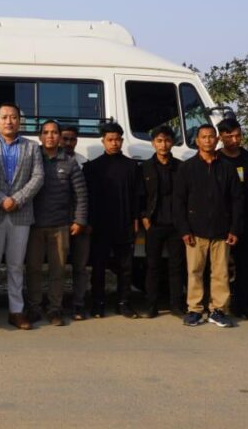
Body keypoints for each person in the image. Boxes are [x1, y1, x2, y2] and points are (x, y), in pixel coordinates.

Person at [0, 103, 44, 331]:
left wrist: (17, 199)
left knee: (16, 266)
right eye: (4, 117)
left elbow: (38, 177)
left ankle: (16, 311)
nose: (9, 121)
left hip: (20, 214)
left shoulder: (32, 147)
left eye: (13, 117)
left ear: (19, 121)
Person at [173, 125, 243, 328]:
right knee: (194, 271)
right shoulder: (187, 168)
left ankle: (218, 310)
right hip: (195, 231)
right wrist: (184, 230)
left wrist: (234, 228)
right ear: (197, 141)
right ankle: (194, 310)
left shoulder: (228, 168)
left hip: (222, 231)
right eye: (204, 137)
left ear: (217, 140)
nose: (208, 140)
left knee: (220, 273)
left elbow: (237, 200)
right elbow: (179, 202)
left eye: (211, 137)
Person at [25, 120, 87, 327]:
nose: (50, 136)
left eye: (54, 133)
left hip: (61, 226)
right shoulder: (32, 159)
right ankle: (33, 308)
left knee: (58, 270)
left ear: (60, 136)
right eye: (46, 133)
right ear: (40, 137)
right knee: (33, 269)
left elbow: (80, 195)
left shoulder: (69, 162)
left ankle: (54, 309)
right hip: (34, 225)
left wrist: (79, 220)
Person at [82, 122, 141, 318]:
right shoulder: (92, 167)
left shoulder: (132, 166)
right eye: (110, 140)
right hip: (100, 225)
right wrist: (88, 222)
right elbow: (87, 197)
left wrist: (136, 219)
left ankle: (124, 303)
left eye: (117, 139)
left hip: (124, 223)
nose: (114, 143)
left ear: (122, 141)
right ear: (103, 141)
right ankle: (97, 302)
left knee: (125, 267)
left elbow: (137, 196)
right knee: (98, 266)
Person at [217, 118, 248, 322]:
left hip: (245, 220)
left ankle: (244, 308)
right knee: (219, 267)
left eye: (238, 135)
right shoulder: (215, 159)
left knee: (245, 266)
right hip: (220, 221)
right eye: (229, 136)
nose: (235, 140)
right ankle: (217, 307)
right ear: (221, 137)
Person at [139, 125, 186, 318]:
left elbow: (187, 196)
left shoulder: (182, 167)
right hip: (154, 223)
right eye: (159, 141)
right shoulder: (145, 168)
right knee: (152, 267)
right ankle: (152, 306)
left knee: (176, 267)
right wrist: (144, 217)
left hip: (176, 224)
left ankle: (176, 305)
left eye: (167, 140)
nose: (163, 145)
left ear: (172, 143)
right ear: (153, 143)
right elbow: (140, 195)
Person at [60, 125, 91, 319]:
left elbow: (88, 195)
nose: (68, 143)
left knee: (80, 267)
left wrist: (83, 221)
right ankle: (56, 304)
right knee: (58, 266)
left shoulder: (85, 163)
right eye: (65, 139)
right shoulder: (48, 161)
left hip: (81, 223)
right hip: (58, 223)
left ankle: (78, 304)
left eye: (72, 139)